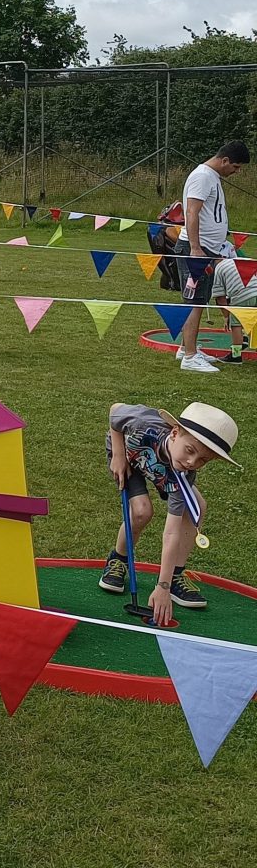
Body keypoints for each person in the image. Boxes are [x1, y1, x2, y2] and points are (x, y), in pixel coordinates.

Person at [98, 402, 240, 626]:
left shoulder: (184, 472)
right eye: (190, 450)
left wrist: (161, 586)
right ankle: (118, 560)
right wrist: (117, 454)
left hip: (166, 471)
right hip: (130, 455)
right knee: (142, 512)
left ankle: (173, 577)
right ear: (174, 433)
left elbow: (171, 532)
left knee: (196, 507)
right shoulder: (144, 424)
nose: (192, 462)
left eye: (203, 460)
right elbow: (115, 411)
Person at [174, 141, 250, 373]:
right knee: (194, 302)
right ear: (225, 160)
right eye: (235, 167)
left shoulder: (212, 177)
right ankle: (189, 357)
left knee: (201, 299)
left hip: (209, 249)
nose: (236, 172)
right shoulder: (203, 176)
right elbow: (192, 211)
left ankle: (187, 348)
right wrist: (196, 248)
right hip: (196, 249)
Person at [211, 257, 257, 363]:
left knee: (235, 323)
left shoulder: (219, 267)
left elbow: (220, 297)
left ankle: (236, 355)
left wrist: (227, 316)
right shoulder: (243, 260)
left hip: (242, 295)